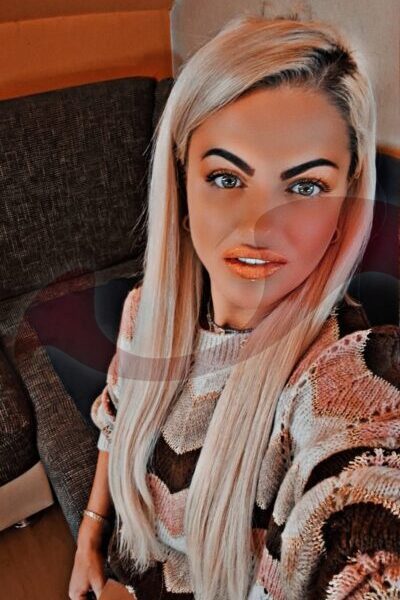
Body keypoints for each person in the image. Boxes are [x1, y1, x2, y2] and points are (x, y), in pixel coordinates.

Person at [68, 14, 400, 600]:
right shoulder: (145, 311)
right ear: (182, 185)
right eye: (226, 177)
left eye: (305, 187)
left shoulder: (341, 379)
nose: (257, 227)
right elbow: (115, 419)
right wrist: (90, 538)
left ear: (346, 203)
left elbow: (360, 506)